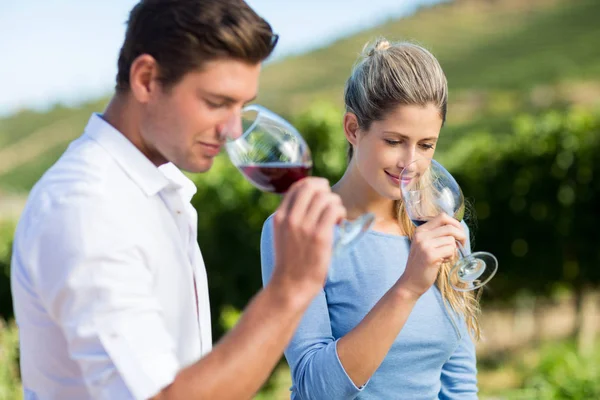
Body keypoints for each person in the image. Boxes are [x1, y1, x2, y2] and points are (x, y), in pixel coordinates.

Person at [10, 1, 346, 399]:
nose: (233, 130)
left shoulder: (158, 188)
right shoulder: (86, 207)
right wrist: (290, 288)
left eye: (242, 105)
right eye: (217, 102)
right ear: (147, 79)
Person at [261, 38, 481, 399]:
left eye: (426, 145)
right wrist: (408, 288)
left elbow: (459, 384)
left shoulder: (441, 230)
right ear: (352, 129)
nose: (410, 162)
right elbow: (316, 388)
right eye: (394, 141)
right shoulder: (297, 231)